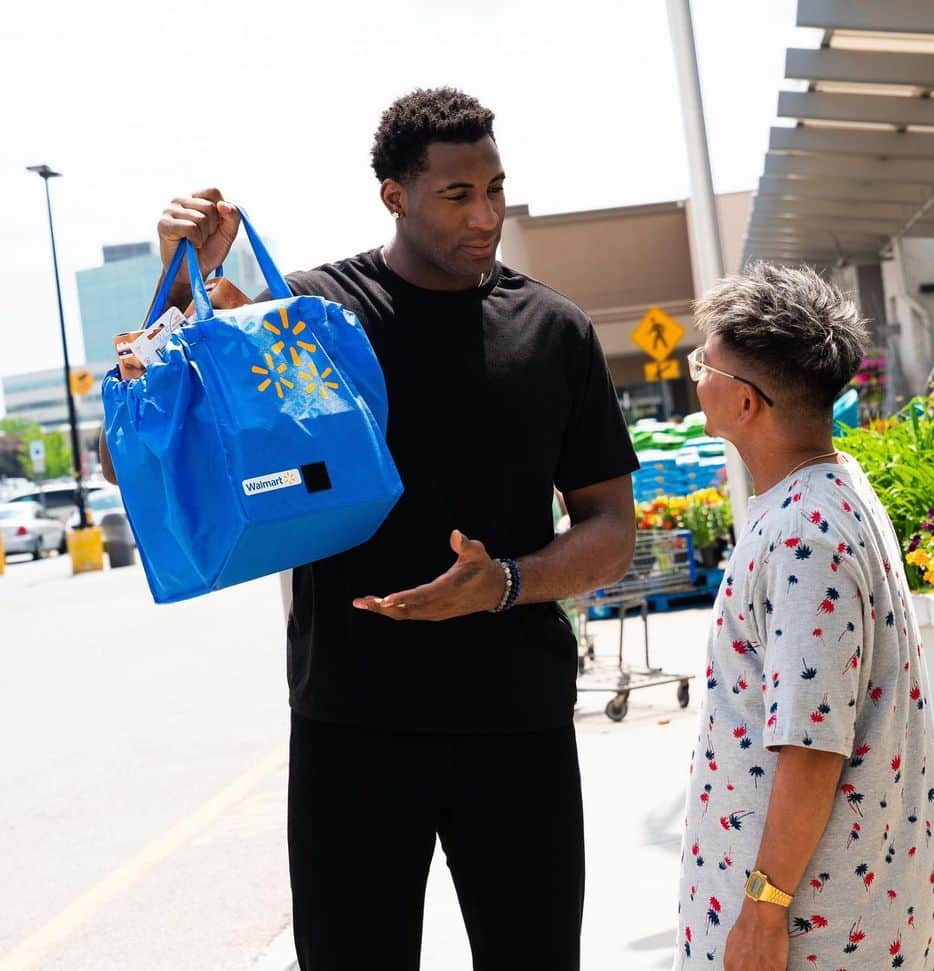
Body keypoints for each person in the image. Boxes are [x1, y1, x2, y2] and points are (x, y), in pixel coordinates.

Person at [102, 87, 638, 971]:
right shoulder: (310, 320)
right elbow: (140, 455)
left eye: (496, 189)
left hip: (516, 727)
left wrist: (503, 581)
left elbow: (610, 529)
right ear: (394, 193)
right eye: (458, 194)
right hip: (352, 729)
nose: (487, 216)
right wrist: (172, 283)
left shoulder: (554, 331)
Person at [674, 263, 934, 970]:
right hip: (851, 909)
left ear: (746, 402)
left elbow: (811, 745)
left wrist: (763, 911)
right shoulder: (836, 485)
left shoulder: (804, 533)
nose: (695, 374)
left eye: (705, 363)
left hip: (815, 932)